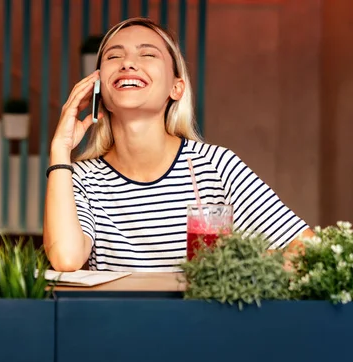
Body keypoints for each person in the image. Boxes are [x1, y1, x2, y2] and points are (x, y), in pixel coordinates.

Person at [43, 17, 313, 273]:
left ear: (176, 88)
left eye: (147, 54)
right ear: (98, 89)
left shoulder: (217, 166)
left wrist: (237, 269)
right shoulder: (82, 178)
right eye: (114, 56)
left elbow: (308, 248)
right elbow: (66, 259)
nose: (127, 63)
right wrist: (60, 149)